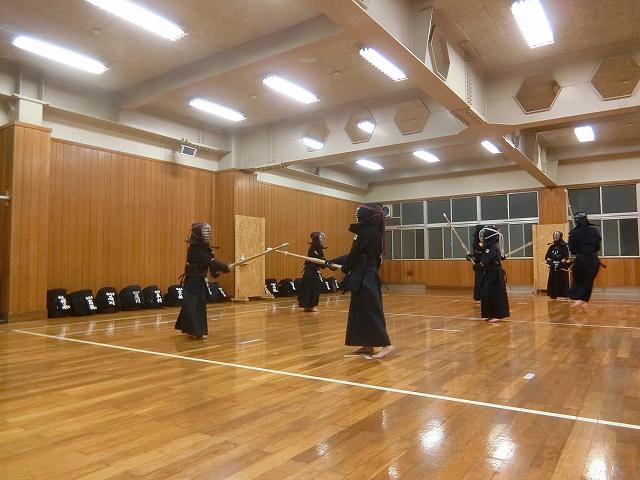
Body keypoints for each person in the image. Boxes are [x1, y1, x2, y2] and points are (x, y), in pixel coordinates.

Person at [331, 203, 394, 359]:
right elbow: (357, 254)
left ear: (366, 215)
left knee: (371, 311)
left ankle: (387, 345)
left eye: (359, 212)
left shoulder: (365, 232)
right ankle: (367, 344)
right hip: (365, 276)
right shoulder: (373, 232)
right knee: (360, 311)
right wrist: (333, 262)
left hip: (366, 278)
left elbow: (354, 255)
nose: (357, 215)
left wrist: (344, 268)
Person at [175, 223, 230, 339]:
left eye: (208, 232)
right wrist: (223, 267)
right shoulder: (195, 249)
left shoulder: (205, 248)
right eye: (204, 232)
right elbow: (209, 261)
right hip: (193, 280)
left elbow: (210, 263)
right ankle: (197, 332)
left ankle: (190, 329)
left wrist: (217, 270)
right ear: (197, 234)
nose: (207, 235)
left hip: (199, 279)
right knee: (194, 305)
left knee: (193, 304)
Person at [477, 225, 510, 322]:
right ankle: (489, 314)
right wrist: (473, 257)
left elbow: (483, 263)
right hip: (491, 274)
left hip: (494, 276)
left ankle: (496, 315)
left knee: (493, 294)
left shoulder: (491, 249)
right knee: (486, 293)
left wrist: (476, 266)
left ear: (489, 237)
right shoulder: (491, 248)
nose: (482, 237)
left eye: (484, 235)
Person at [568, 212, 601, 307]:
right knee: (589, 280)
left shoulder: (574, 233)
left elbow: (572, 249)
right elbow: (598, 247)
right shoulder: (594, 231)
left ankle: (578, 299)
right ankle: (585, 300)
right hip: (594, 260)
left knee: (578, 279)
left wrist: (580, 250)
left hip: (582, 259)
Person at [298, 231, 327, 312]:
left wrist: (326, 263)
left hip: (314, 271)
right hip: (310, 271)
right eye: (321, 238)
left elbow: (321, 260)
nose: (323, 240)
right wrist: (324, 262)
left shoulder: (318, 248)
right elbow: (317, 260)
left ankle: (311, 305)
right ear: (317, 239)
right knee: (309, 288)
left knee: (315, 288)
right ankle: (308, 306)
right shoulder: (313, 248)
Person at [545, 231, 570, 299]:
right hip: (553, 267)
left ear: (560, 236)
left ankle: (563, 295)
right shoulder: (551, 247)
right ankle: (553, 295)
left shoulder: (564, 247)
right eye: (555, 235)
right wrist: (550, 263)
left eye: (557, 235)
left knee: (562, 281)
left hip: (561, 268)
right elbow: (547, 257)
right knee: (553, 281)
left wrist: (560, 264)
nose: (556, 237)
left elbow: (565, 257)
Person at [466, 224, 484, 301]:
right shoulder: (475, 241)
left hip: (484, 263)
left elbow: (484, 253)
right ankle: (478, 296)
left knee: (484, 280)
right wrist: (470, 256)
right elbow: (476, 253)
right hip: (477, 264)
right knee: (478, 280)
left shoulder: (485, 240)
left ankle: (485, 296)